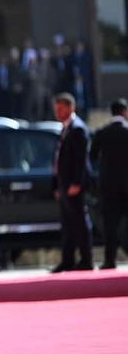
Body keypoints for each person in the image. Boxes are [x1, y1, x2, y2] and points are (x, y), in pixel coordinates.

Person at [50, 93, 93, 273]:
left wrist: (77, 182)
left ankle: (86, 259)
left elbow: (81, 160)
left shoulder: (78, 129)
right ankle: (67, 260)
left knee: (79, 223)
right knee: (67, 224)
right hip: (64, 184)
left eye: (61, 109)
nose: (58, 113)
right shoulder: (65, 129)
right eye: (56, 109)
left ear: (70, 108)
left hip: (74, 186)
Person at [88, 98, 128, 270]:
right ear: (124, 112)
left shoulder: (102, 133)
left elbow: (92, 157)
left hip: (108, 185)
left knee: (110, 224)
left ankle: (109, 259)